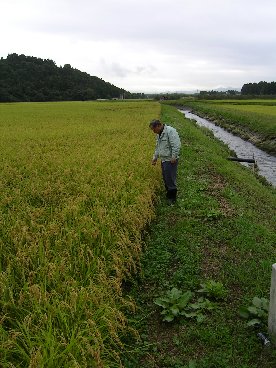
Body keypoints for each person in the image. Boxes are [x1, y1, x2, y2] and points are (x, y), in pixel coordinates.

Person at [149, 119, 181, 204]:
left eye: (154, 129)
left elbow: (176, 145)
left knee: (170, 178)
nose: (153, 131)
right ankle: (169, 194)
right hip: (164, 159)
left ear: (159, 126)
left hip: (170, 160)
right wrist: (155, 157)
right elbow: (157, 147)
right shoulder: (159, 134)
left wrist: (174, 156)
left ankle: (172, 198)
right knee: (166, 177)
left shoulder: (170, 131)